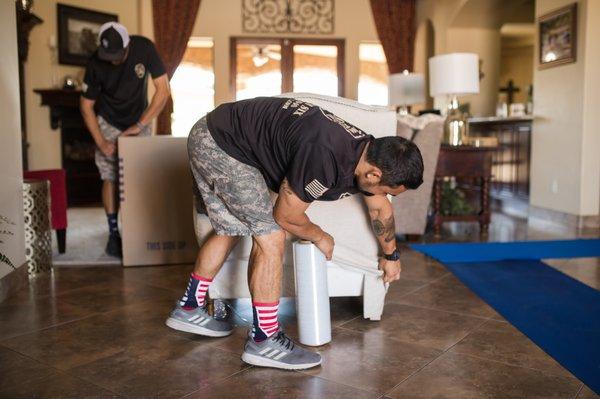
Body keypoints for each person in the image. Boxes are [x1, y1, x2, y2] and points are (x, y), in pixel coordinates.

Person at [166, 97, 424, 370]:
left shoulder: (368, 152)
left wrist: (391, 255)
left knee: (236, 225)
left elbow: (379, 211)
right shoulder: (326, 157)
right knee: (271, 235)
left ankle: (190, 306)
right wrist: (320, 235)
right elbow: (285, 216)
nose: (383, 197)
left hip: (219, 133)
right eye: (387, 190)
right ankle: (264, 339)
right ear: (373, 174)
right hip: (221, 143)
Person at [80, 22, 170, 257]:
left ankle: (138, 230)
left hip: (139, 118)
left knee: (138, 176)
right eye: (107, 55)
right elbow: (86, 106)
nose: (112, 60)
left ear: (128, 46)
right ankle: (113, 233)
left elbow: (163, 90)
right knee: (110, 176)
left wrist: (140, 125)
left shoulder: (145, 48)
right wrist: (101, 142)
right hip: (109, 121)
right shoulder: (94, 62)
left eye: (117, 55)